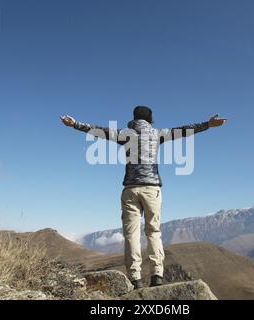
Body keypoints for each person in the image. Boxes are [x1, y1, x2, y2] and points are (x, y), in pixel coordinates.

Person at [61, 106, 226, 289]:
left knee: (131, 234)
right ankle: (157, 275)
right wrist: (208, 124)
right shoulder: (157, 134)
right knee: (153, 232)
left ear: (134, 118)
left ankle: (135, 279)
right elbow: (184, 131)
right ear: (150, 119)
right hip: (152, 189)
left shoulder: (124, 134)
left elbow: (98, 131)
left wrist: (75, 124)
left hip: (131, 189)